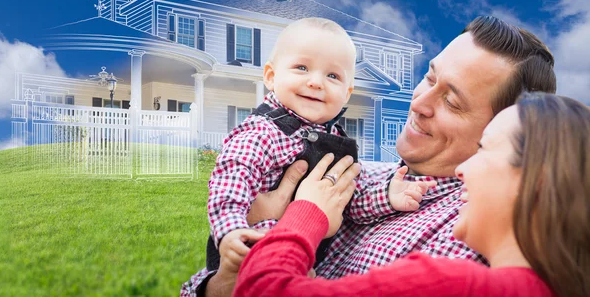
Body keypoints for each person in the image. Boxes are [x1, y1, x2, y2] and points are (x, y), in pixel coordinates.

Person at [181, 16, 557, 297]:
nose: (419, 103)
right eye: (429, 78)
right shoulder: (366, 172)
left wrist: (300, 215)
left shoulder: (466, 239)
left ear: (506, 126)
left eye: (452, 102)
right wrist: (220, 281)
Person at [234, 92, 590, 297]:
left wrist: (305, 212)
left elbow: (263, 290)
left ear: (537, 181)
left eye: (484, 149)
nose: (464, 169)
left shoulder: (454, 285)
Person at [202, 18, 434, 275]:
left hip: (303, 259)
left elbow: (347, 202)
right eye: (301, 67)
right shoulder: (263, 131)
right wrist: (230, 230)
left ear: (346, 93)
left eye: (332, 75)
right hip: (250, 247)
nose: (316, 82)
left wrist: (388, 196)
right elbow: (231, 180)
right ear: (271, 76)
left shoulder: (337, 141)